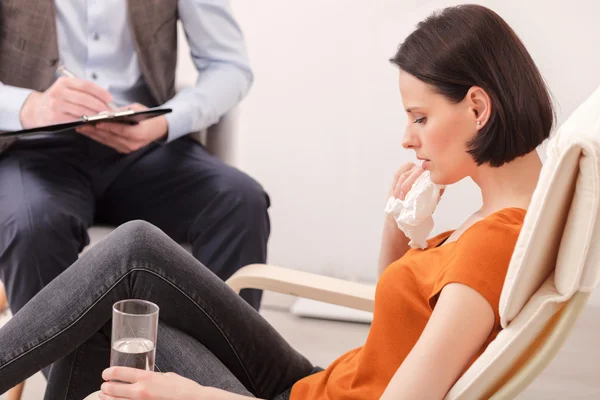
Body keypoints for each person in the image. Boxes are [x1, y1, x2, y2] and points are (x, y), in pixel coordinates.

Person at [0, 4, 554, 400]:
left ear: (477, 108)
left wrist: (192, 395)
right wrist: (401, 234)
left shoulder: (492, 243)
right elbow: (398, 335)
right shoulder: (497, 220)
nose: (407, 138)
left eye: (419, 117)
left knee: (115, 297)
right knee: (132, 256)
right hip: (317, 381)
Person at [0, 0, 268, 313]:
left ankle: (218, 360)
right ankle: (74, 363)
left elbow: (228, 65)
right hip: (35, 149)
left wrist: (170, 120)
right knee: (32, 226)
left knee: (239, 200)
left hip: (146, 147)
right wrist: (28, 107)